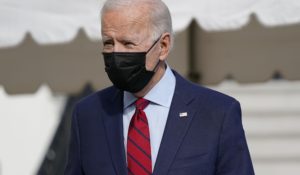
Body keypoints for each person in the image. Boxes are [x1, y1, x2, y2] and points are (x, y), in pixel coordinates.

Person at [65, 0, 255, 174]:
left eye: (128, 43)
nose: (115, 53)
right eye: (108, 43)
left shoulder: (217, 113)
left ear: (163, 46)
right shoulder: (88, 115)